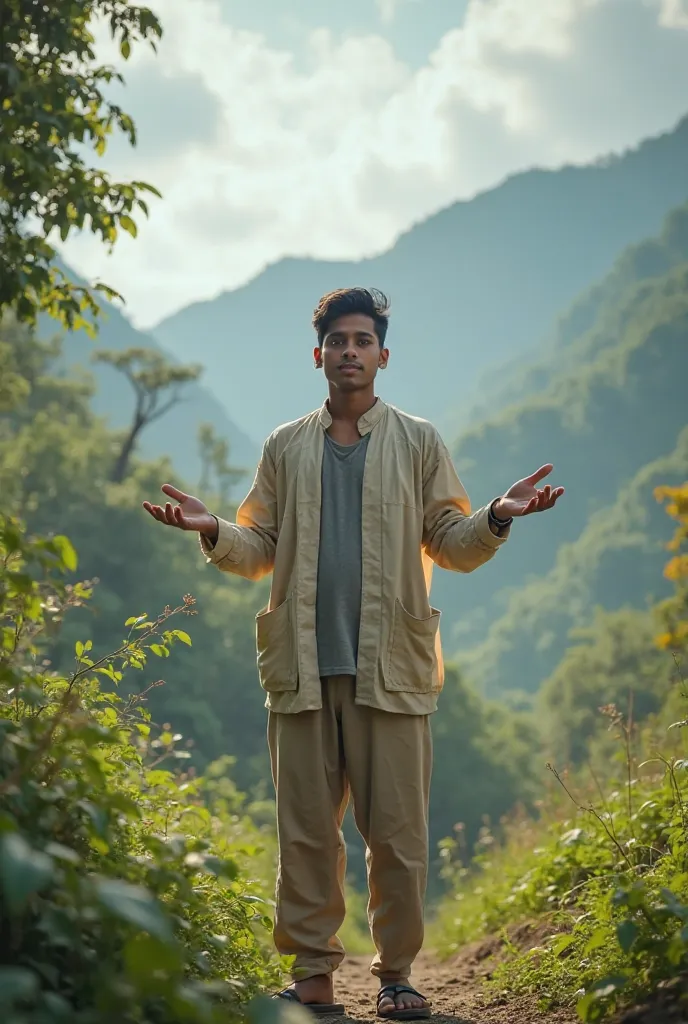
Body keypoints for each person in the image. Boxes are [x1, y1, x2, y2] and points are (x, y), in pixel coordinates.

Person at [143, 288, 564, 1020]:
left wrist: (496, 514)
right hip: (302, 666)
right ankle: (313, 979)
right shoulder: (285, 446)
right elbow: (260, 551)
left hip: (391, 668)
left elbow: (451, 544)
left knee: (397, 836)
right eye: (337, 340)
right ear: (318, 355)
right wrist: (213, 528)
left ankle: (397, 973)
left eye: (362, 340)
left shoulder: (418, 440)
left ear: (382, 355)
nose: (349, 351)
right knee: (305, 833)